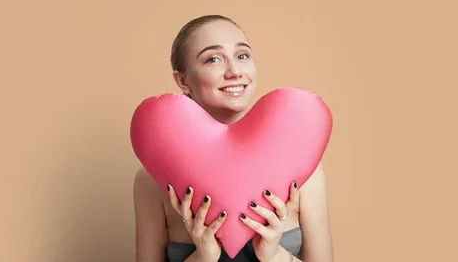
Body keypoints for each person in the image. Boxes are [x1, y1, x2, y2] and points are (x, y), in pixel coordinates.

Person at [133, 15, 334, 262]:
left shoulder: (304, 167)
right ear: (183, 80)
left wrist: (273, 255)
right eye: (213, 59)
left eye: (242, 56)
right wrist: (203, 256)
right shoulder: (152, 180)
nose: (235, 72)